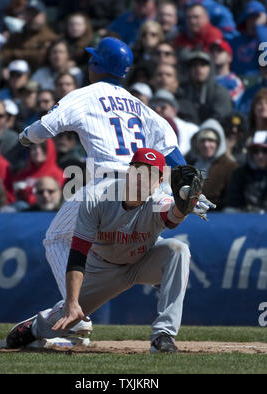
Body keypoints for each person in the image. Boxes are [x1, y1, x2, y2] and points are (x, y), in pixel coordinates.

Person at [17, 37, 212, 339]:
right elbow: (172, 151)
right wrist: (187, 190)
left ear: (95, 64)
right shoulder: (139, 106)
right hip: (149, 184)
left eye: (91, 59)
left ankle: (75, 309)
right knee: (161, 243)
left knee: (55, 238)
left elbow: (45, 127)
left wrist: (25, 137)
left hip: (110, 186)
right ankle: (153, 322)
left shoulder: (84, 95)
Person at [5, 148, 192, 352]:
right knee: (65, 319)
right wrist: (72, 301)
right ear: (129, 172)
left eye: (151, 174)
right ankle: (35, 327)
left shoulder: (159, 199)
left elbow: (172, 216)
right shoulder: (97, 197)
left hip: (143, 259)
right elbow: (78, 253)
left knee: (178, 250)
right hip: (103, 268)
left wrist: (184, 206)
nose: (143, 179)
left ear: (160, 180)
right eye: (139, 171)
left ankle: (163, 335)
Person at [185, 118, 239, 210]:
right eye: (202, 141)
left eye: (211, 140)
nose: (206, 145)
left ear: (219, 143)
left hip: (216, 217)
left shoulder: (230, 167)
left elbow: (231, 200)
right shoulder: (189, 165)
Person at [0, 0, 58, 71]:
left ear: (43, 16)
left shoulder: (51, 37)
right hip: (15, 76)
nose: (31, 18)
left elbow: (41, 58)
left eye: (35, 14)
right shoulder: (17, 35)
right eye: (29, 14)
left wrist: (15, 53)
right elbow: (2, 55)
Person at [181, 50, 233, 125]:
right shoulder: (181, 91)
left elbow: (221, 117)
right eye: (194, 65)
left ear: (211, 68)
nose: (198, 68)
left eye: (203, 65)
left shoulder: (221, 92)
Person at [225, 131, 267, 213]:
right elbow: (232, 203)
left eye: (265, 151)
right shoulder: (239, 173)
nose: (260, 155)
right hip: (245, 219)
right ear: (251, 153)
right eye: (256, 151)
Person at [13, 139, 64, 205]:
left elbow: (54, 201)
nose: (37, 151)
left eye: (43, 148)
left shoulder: (58, 175)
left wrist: (26, 190)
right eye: (33, 148)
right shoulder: (21, 175)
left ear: (50, 149)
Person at [149, 89, 199, 156]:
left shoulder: (192, 129)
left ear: (174, 110)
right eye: (153, 107)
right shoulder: (148, 129)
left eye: (163, 106)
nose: (158, 110)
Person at [229, 1, 267, 77]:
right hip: (239, 84)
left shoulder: (264, 37)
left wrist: (260, 28)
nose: (253, 22)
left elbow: (266, 57)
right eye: (250, 18)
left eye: (257, 17)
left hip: (260, 85)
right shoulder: (235, 41)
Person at [209, 39, 244, 107]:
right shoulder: (206, 79)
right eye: (212, 51)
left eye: (220, 51)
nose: (215, 54)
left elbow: (230, 104)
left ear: (229, 57)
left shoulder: (235, 82)